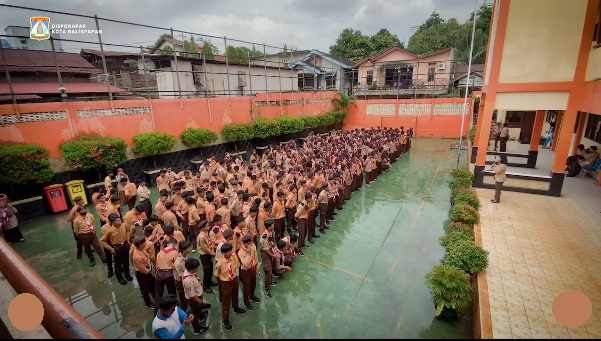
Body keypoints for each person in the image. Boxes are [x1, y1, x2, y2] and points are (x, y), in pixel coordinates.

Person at [214, 242, 246, 332]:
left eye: (231, 250)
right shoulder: (219, 264)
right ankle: (225, 319)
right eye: (229, 251)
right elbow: (216, 274)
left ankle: (236, 308)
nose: (231, 252)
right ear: (224, 253)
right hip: (225, 283)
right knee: (226, 300)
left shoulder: (234, 257)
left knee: (235, 294)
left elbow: (237, 267)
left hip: (234, 279)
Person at [100, 213, 132, 285]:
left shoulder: (124, 225)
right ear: (112, 222)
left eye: (120, 220)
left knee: (126, 261)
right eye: (117, 221)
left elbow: (128, 232)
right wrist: (111, 249)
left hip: (125, 245)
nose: (120, 222)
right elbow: (102, 241)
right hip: (116, 247)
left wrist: (128, 241)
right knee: (117, 264)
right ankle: (120, 278)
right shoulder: (110, 230)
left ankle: (127, 275)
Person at [182, 258, 211, 335]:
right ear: (191, 269)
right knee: (194, 314)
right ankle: (197, 329)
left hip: (197, 296)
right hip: (194, 299)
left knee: (198, 309)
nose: (198, 269)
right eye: (196, 268)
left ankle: (201, 316)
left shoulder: (189, 273)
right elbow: (192, 295)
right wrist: (199, 301)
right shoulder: (188, 281)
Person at [130, 235, 155, 309]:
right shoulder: (137, 257)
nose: (146, 243)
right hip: (143, 274)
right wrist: (150, 269)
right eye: (144, 242)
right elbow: (144, 270)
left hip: (147, 268)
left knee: (152, 286)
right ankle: (148, 303)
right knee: (145, 290)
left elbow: (147, 258)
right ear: (140, 245)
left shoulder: (142, 249)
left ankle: (156, 297)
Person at [237, 234, 261, 311]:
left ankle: (252, 296)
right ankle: (246, 302)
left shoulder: (252, 247)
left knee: (253, 284)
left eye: (250, 243)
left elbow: (256, 258)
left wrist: (257, 268)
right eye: (248, 243)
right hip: (246, 271)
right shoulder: (240, 252)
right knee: (246, 287)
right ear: (244, 243)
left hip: (253, 269)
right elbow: (246, 264)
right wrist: (249, 254)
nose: (250, 245)